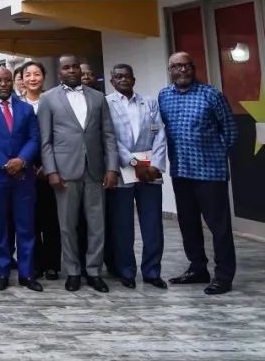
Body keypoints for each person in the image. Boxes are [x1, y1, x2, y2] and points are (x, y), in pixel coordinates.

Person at [38, 55, 118, 293]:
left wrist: (112, 168)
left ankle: (94, 271)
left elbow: (108, 136)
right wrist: (51, 170)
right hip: (64, 172)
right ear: (59, 72)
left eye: (75, 66)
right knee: (67, 225)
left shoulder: (97, 97)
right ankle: (72, 271)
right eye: (66, 67)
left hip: (95, 170)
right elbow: (46, 141)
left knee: (97, 224)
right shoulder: (48, 98)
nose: (71, 70)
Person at [159, 52, 237, 295]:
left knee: (219, 226)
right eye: (177, 66)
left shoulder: (211, 94)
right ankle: (197, 268)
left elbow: (230, 130)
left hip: (210, 173)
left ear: (193, 68)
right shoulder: (164, 96)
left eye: (186, 65)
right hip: (181, 172)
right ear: (170, 70)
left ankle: (223, 276)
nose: (182, 70)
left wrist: (214, 154)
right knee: (188, 224)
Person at [0, 67, 43, 292]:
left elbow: (34, 138)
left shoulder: (25, 109)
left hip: (23, 175)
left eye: (7, 80)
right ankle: (2, 271)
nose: (3, 84)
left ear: (13, 81)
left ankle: (26, 273)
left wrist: (21, 160)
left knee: (25, 226)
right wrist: (5, 163)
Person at [106, 64, 168, 290]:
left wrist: (155, 166)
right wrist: (134, 163)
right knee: (123, 225)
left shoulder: (149, 102)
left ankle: (152, 271)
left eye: (127, 76)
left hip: (150, 172)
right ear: (112, 81)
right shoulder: (106, 103)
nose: (123, 80)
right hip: (123, 171)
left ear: (134, 79)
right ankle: (127, 271)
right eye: (118, 77)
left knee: (152, 224)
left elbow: (159, 132)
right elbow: (109, 137)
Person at [20, 61, 58, 279]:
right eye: (28, 75)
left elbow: (59, 137)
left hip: (51, 167)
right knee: (29, 219)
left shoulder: (53, 101)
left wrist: (49, 166)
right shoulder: (15, 103)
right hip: (25, 169)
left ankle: (53, 263)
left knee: (51, 218)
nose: (32, 78)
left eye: (37, 74)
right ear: (22, 79)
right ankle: (35, 262)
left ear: (44, 77)